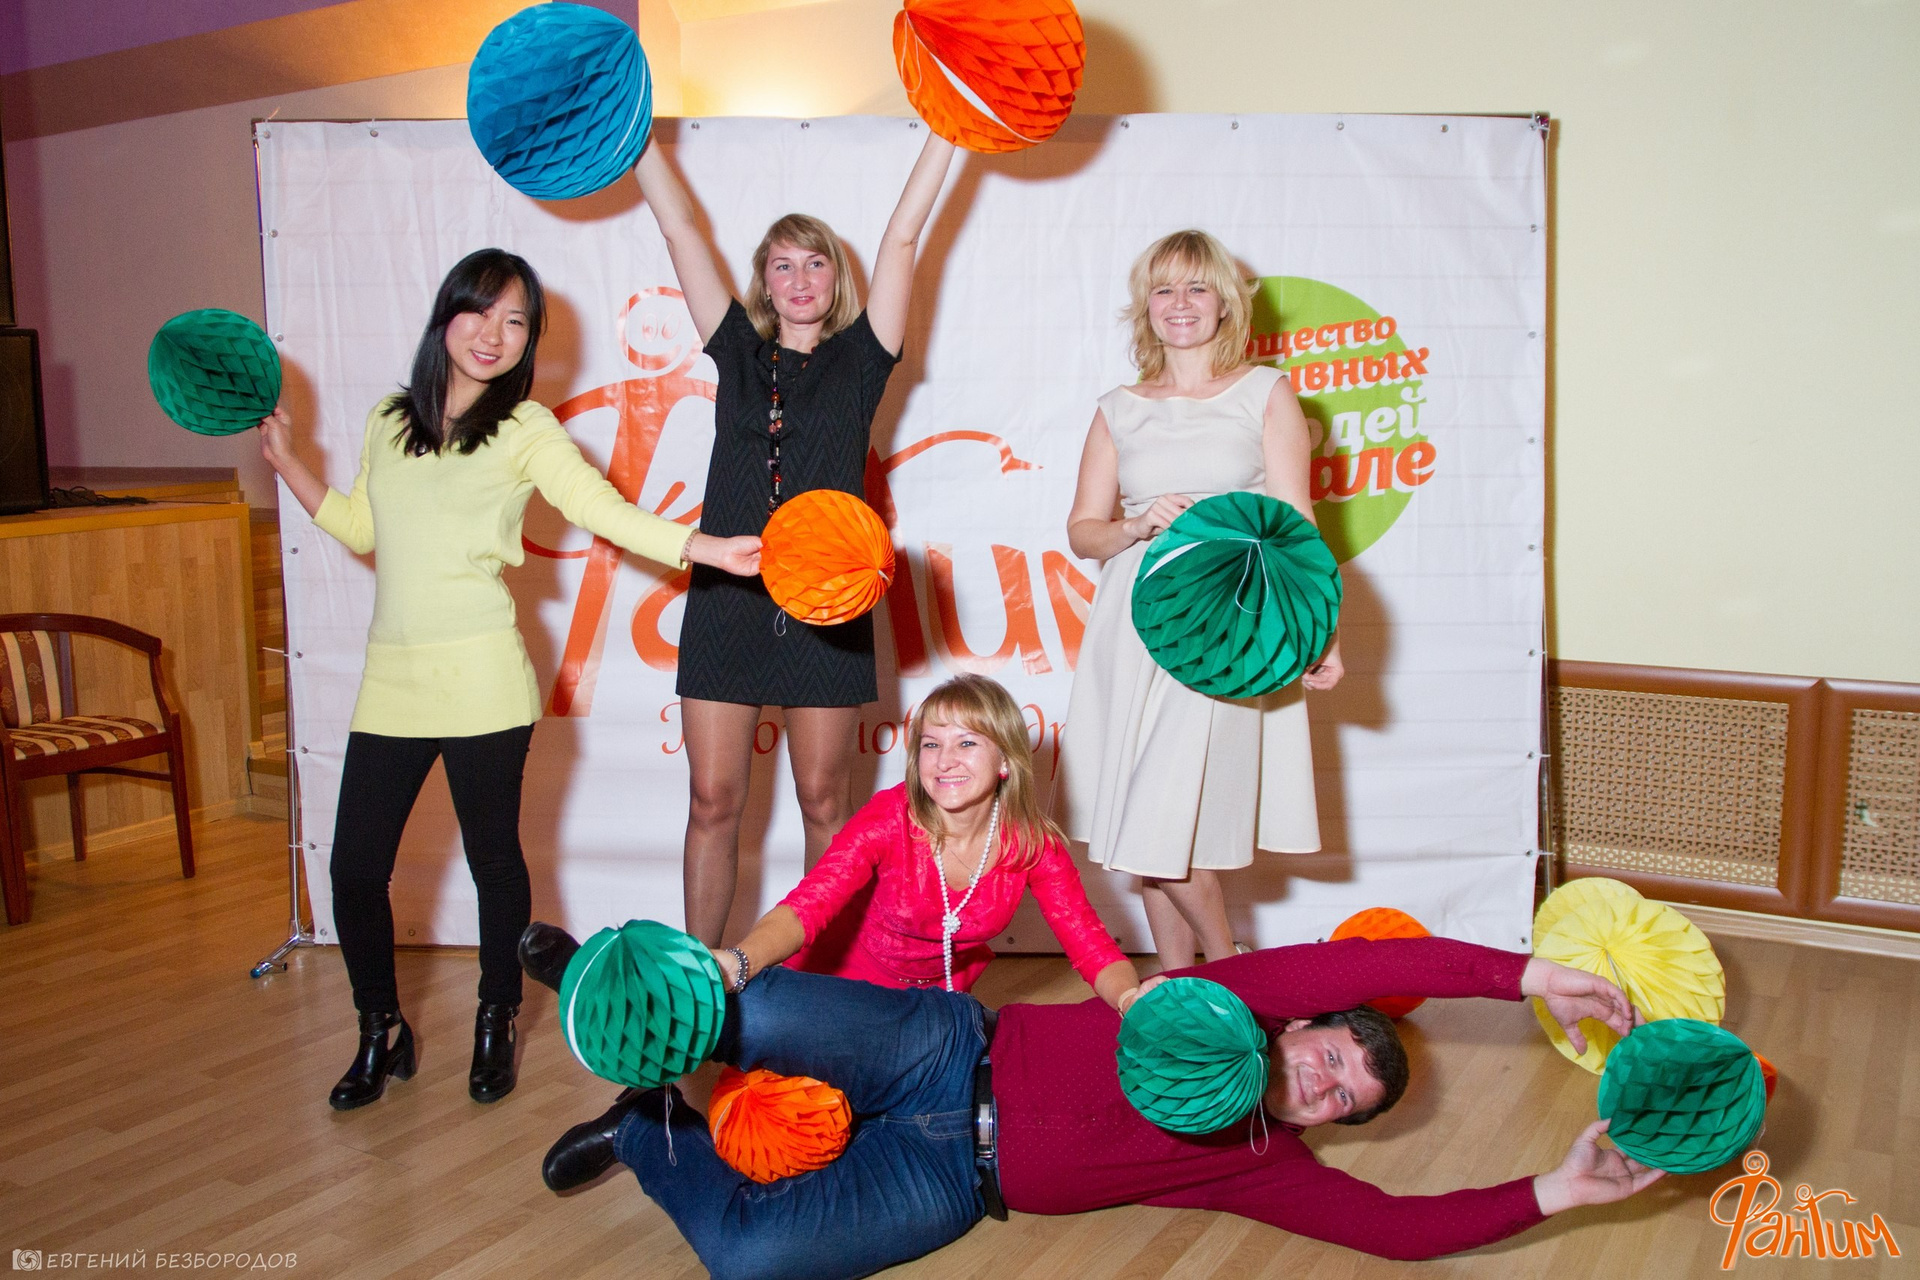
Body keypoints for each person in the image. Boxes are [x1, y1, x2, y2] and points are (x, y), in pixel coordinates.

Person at [258, 248, 762, 1111]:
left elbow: (600, 508)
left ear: (530, 340)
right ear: (445, 315)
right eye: (481, 311)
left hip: (486, 681)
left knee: (494, 862)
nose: (494, 333)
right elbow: (362, 526)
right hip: (393, 682)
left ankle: (497, 1017)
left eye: (516, 320)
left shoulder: (525, 428)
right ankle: (380, 1028)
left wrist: (704, 547)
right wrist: (287, 461)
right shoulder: (389, 419)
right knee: (353, 870)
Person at [520, 926, 1663, 1279]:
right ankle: (600, 983)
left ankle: (647, 1128)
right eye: (1333, 1054)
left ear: (1327, 1125)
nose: (1325, 1081)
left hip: (949, 1181)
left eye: (1342, 1100)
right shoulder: (1226, 1002)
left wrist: (1561, 1188)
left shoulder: (1260, 1162)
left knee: (747, 1257)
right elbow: (1361, 959)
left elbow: (1401, 1230)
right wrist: (1526, 974)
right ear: (1300, 1025)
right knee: (758, 1008)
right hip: (943, 1052)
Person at [632, 128, 959, 946]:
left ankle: (822, 982)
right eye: (783, 265)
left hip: (828, 606)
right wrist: (632, 140)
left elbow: (904, 234)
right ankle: (699, 978)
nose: (801, 278)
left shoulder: (864, 359)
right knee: (714, 801)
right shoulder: (737, 352)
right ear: (765, 283)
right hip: (727, 602)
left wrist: (948, 132)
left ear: (836, 279)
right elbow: (680, 228)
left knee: (824, 802)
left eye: (816, 263)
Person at [1057, 228, 1344, 973]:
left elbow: (1298, 522)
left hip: (1228, 624)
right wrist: (1133, 525)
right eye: (1163, 288)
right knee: (1150, 821)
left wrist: (1322, 632)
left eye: (1197, 287)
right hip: (1134, 621)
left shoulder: (1265, 393)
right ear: (1144, 306)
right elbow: (1083, 532)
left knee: (1158, 816)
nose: (1179, 303)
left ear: (1225, 304)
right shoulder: (1118, 407)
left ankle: (1233, 973)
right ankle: (1184, 989)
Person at [710, 674, 1145, 1010]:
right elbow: (806, 906)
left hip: (937, 1004)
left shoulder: (1032, 846)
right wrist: (740, 960)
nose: (944, 761)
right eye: (931, 744)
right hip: (838, 986)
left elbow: (1091, 945)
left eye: (967, 743)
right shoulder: (890, 817)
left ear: (1006, 762)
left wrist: (1130, 1000)